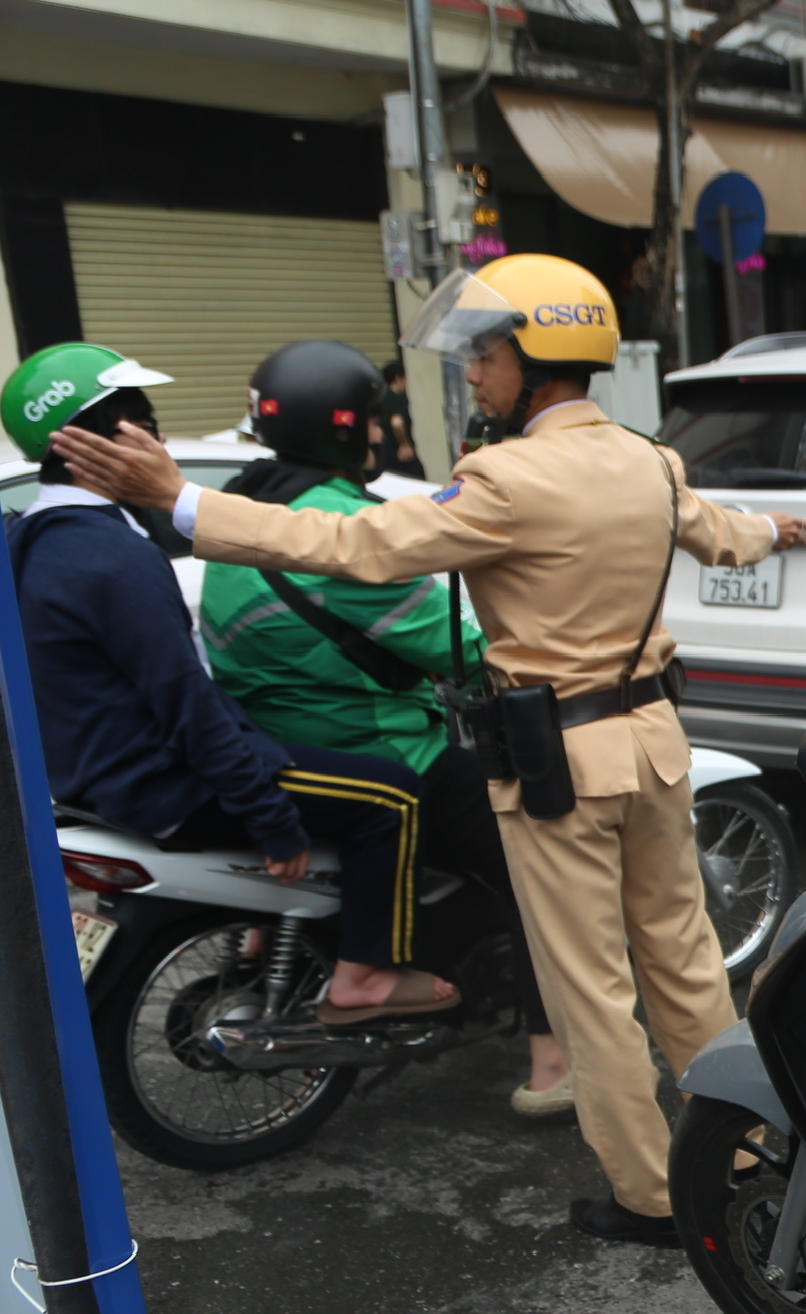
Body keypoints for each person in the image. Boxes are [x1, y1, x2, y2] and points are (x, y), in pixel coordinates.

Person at [52, 254, 806, 1242]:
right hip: (654, 747)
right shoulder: (649, 460)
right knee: (685, 963)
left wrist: (182, 500)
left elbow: (355, 548)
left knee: (592, 990)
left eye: (488, 356)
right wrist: (778, 530)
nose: (475, 374)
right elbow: (722, 534)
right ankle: (748, 1152)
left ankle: (653, 1196)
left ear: (536, 360)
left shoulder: (505, 479)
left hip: (557, 765)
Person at [3, 342, 451, 1020]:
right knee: (393, 796)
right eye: (147, 426)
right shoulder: (112, 554)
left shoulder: (29, 539)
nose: (161, 443)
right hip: (160, 782)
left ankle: (268, 932)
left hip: (91, 781)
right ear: (109, 442)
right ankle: (363, 976)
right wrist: (273, 821)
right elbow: (184, 701)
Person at [200, 338, 570, 1112]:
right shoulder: (342, 522)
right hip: (382, 747)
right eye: (373, 420)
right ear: (341, 428)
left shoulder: (240, 508)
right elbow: (454, 642)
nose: (382, 434)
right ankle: (553, 1065)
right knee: (542, 870)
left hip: (283, 744)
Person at [377, 359, 424, 480]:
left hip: (386, 455)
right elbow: (396, 422)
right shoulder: (399, 399)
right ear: (398, 378)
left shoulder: (381, 399)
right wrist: (404, 445)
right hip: (401, 455)